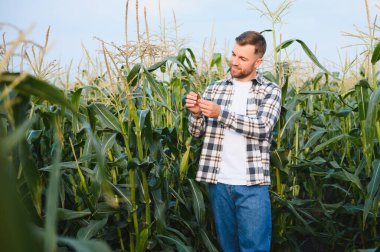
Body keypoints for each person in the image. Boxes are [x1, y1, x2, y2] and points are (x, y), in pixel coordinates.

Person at [185, 31, 282, 252]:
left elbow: (262, 127)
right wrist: (196, 114)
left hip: (252, 184)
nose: (234, 62)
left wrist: (220, 113)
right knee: (228, 247)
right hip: (218, 182)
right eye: (234, 55)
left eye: (242, 59)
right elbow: (196, 133)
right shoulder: (214, 88)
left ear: (258, 62)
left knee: (254, 248)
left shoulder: (270, 91)